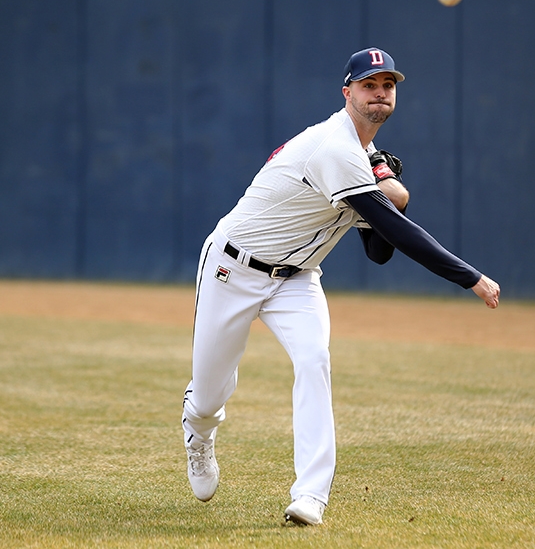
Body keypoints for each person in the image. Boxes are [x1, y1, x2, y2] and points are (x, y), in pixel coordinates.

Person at [181, 47, 500, 525]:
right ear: (347, 91)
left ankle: (311, 495)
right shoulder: (334, 146)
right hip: (234, 269)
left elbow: (377, 251)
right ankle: (199, 431)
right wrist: (469, 276)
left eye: (387, 85)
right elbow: (396, 237)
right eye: (369, 85)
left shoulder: (366, 157)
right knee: (208, 395)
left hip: (297, 279)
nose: (380, 93)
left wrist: (395, 201)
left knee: (314, 361)